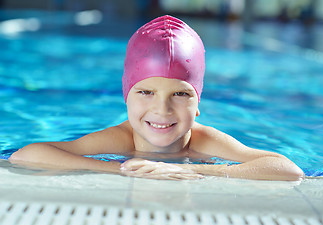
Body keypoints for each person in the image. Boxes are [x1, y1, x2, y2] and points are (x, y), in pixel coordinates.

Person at [9, 15, 304, 181]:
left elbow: (288, 169)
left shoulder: (204, 141)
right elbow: (24, 155)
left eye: (180, 94)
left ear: (198, 103)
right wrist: (123, 168)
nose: (161, 109)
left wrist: (181, 169)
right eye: (146, 91)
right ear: (126, 97)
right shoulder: (119, 140)